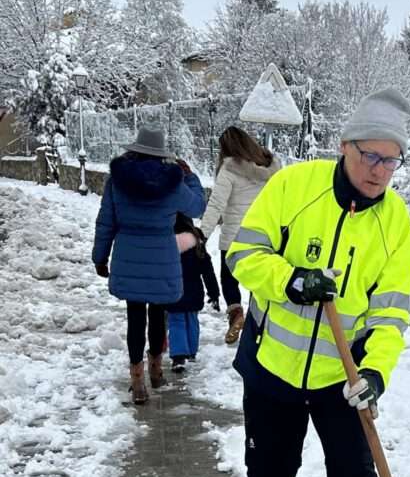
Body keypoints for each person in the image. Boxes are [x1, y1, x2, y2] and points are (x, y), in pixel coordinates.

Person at [225, 87, 410, 477]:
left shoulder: (395, 224)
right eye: (371, 155)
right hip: (272, 366)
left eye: (392, 158)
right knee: (270, 470)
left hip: (343, 375)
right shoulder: (294, 186)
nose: (381, 169)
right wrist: (288, 280)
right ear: (345, 147)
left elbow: (391, 313)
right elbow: (242, 252)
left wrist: (377, 371)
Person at [92, 127, 205, 404]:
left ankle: (137, 381)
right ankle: (156, 371)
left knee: (134, 318)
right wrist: (190, 177)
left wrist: (100, 257)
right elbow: (197, 208)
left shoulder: (117, 181)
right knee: (157, 314)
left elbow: (106, 221)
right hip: (162, 257)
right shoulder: (172, 182)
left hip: (128, 255)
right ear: (160, 154)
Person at [198, 127, 281, 346]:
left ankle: (236, 314)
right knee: (260, 281)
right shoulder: (271, 167)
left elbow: (217, 204)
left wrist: (202, 234)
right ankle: (258, 324)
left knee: (229, 279)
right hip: (265, 235)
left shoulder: (229, 169)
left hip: (234, 236)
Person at [167, 214, 221, 372]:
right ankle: (191, 351)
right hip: (194, 291)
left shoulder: (167, 243)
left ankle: (178, 357)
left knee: (176, 322)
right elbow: (207, 270)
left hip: (173, 290)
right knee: (192, 320)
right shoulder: (197, 243)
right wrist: (214, 293)